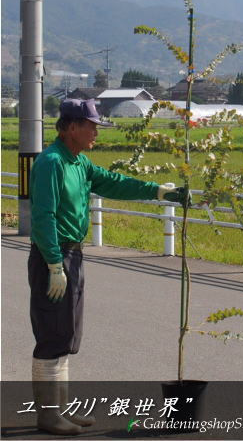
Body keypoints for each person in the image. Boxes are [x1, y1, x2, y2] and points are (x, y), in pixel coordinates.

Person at [28, 98, 189, 435]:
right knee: (53, 334)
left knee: (67, 333)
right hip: (53, 257)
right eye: (92, 125)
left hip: (72, 255)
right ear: (72, 126)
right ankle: (47, 415)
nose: (96, 132)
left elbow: (115, 182)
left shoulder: (79, 163)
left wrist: (160, 192)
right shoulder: (51, 163)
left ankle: (59, 410)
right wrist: (55, 263)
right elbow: (42, 215)